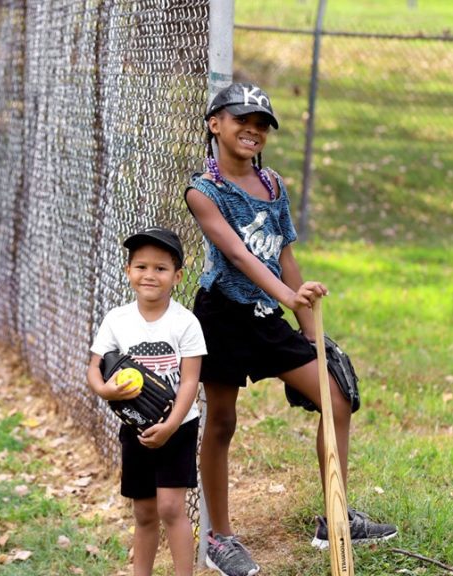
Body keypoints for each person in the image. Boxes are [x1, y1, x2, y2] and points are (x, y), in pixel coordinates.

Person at [184, 82, 398, 576]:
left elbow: (284, 255)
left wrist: (307, 329)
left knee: (336, 398)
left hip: (266, 317)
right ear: (215, 124)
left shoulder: (275, 186)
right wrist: (285, 295)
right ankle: (220, 537)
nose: (253, 130)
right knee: (221, 422)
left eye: (262, 125)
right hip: (221, 317)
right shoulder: (203, 191)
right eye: (242, 120)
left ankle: (335, 516)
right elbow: (237, 253)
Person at [87, 227, 207, 576]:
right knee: (143, 512)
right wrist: (105, 391)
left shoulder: (185, 323)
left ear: (177, 276)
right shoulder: (117, 320)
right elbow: (95, 368)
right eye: (141, 267)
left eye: (160, 268)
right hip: (135, 426)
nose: (149, 275)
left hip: (178, 425)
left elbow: (190, 381)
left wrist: (171, 425)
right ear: (128, 272)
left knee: (171, 508)